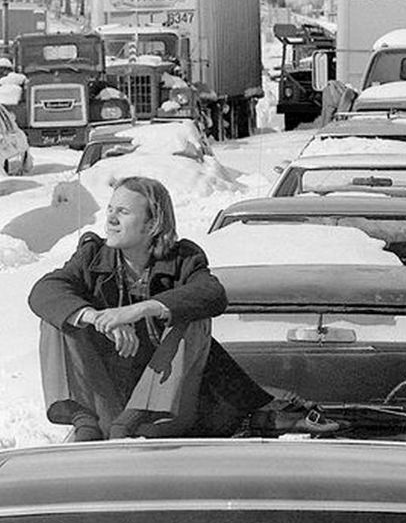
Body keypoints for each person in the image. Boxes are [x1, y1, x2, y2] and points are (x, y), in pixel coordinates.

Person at [29, 176, 274, 441]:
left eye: (123, 212)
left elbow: (212, 295)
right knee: (59, 315)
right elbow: (44, 290)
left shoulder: (184, 259)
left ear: (151, 224)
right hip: (106, 407)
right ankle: (84, 419)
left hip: (169, 412)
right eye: (110, 209)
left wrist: (140, 310)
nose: (110, 219)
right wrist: (95, 317)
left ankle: (140, 416)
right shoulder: (92, 256)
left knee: (193, 317)